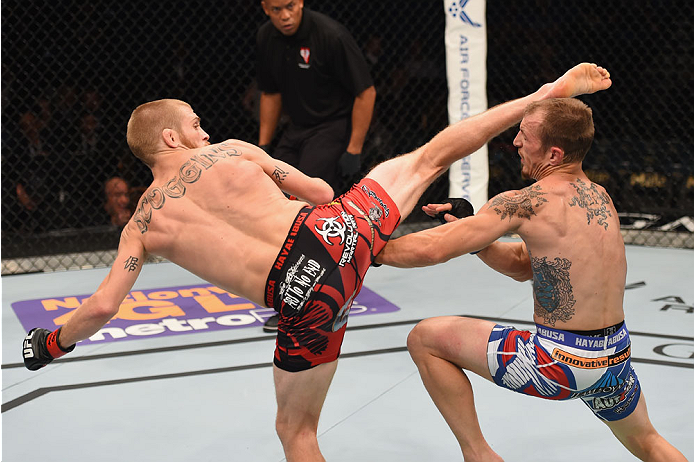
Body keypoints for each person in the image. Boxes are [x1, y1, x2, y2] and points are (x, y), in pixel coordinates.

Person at [21, 63, 611, 462]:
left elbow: (101, 306)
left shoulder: (141, 225)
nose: (204, 132)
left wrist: (52, 345)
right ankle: (541, 95)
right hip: (334, 235)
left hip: (301, 299)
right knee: (429, 155)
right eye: (194, 124)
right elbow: (323, 193)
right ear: (170, 139)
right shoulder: (232, 151)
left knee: (295, 430)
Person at [375, 99, 686, 460]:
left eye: (525, 135)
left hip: (559, 362)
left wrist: (365, 249)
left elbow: (433, 250)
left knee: (425, 338)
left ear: (553, 154)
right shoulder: (602, 198)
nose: (516, 142)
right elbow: (526, 264)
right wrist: (476, 237)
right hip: (614, 360)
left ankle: (479, 455)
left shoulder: (527, 201)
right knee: (648, 441)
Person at [256, 0, 377, 332]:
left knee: (308, 204)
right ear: (265, 8)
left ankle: (305, 299)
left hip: (333, 126)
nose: (284, 16)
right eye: (276, 9)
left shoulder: (330, 35)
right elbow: (270, 93)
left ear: (300, 2)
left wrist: (354, 148)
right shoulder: (266, 37)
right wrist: (264, 147)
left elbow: (365, 92)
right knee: (272, 196)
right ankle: (288, 279)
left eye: (290, 6)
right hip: (297, 129)